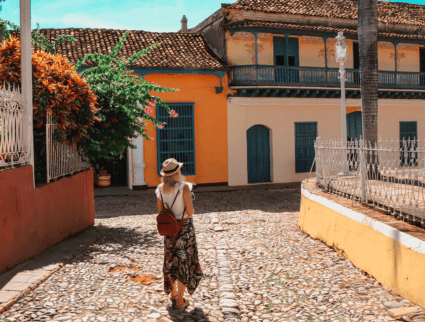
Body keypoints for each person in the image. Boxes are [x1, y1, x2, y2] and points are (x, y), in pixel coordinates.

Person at [155, 158, 203, 310]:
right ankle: (181, 301)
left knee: (171, 261)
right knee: (184, 262)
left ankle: (173, 294)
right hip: (184, 229)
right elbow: (190, 211)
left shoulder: (160, 189)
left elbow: (160, 211)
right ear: (177, 173)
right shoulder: (185, 187)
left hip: (169, 229)